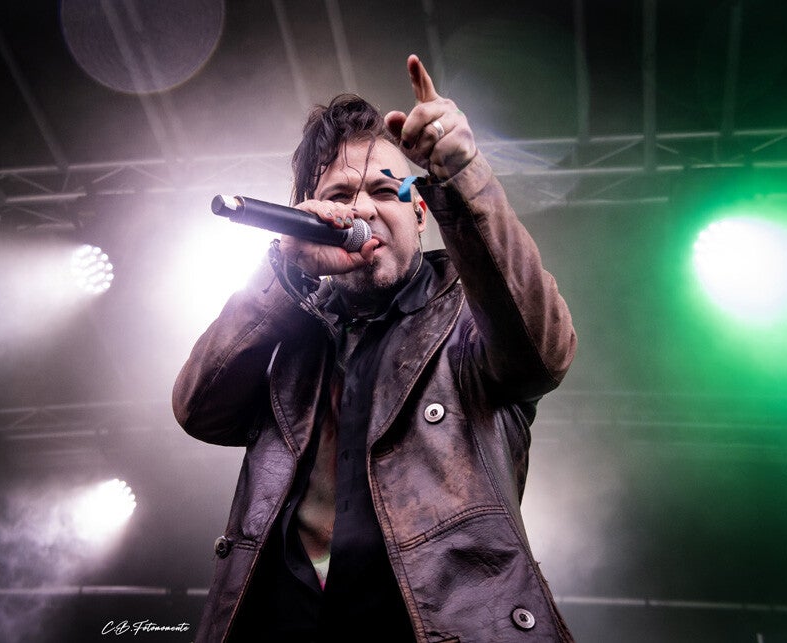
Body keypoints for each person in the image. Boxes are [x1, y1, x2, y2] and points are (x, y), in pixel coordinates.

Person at [173, 55, 577, 643]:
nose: (362, 209)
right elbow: (198, 409)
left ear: (420, 210)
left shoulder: (472, 316)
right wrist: (283, 269)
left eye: (387, 190)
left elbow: (543, 353)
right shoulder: (288, 327)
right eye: (340, 194)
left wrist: (461, 178)